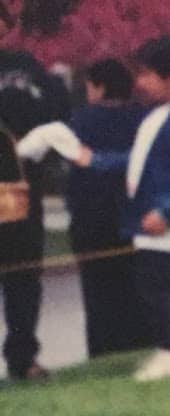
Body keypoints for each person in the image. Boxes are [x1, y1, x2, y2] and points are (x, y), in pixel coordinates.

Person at [72, 36, 170, 382]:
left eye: (147, 75)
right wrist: (95, 160)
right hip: (158, 214)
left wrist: (169, 210)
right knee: (166, 280)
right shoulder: (164, 115)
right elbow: (141, 161)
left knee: (153, 282)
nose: (138, 83)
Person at [64, 59, 152, 358]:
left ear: (99, 87)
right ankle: (142, 345)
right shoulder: (143, 118)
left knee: (99, 294)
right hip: (137, 218)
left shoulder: (81, 121)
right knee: (138, 290)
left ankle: (104, 350)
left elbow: (75, 174)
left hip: (92, 221)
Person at [0, 47, 69, 383]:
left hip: (20, 191)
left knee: (24, 278)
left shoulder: (25, 65)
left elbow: (56, 112)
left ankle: (23, 357)